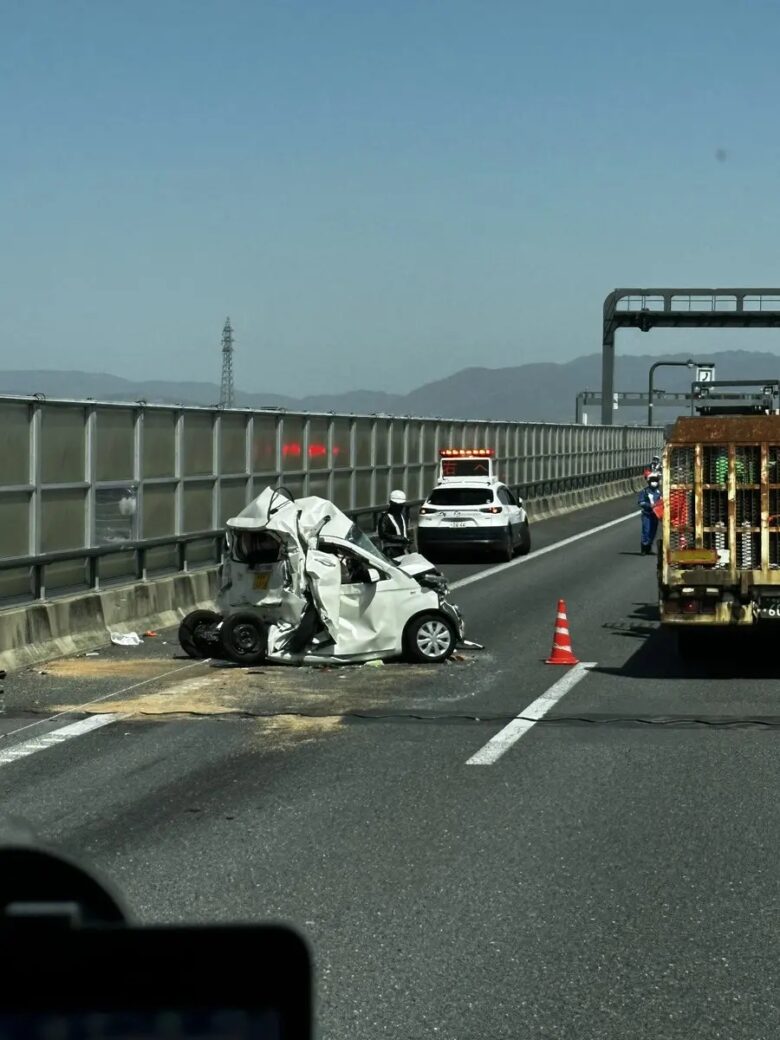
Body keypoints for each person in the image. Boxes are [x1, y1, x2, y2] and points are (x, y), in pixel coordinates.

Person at [377, 489, 411, 558]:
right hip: (391, 552)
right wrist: (401, 538)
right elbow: (383, 534)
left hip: (404, 550)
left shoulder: (403, 516)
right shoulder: (385, 518)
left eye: (401, 505)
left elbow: (404, 531)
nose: (399, 507)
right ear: (391, 503)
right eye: (397, 505)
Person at [638, 474, 662, 555]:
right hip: (647, 514)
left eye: (656, 481)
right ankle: (644, 548)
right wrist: (649, 505)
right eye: (652, 481)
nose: (654, 483)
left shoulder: (659, 492)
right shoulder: (644, 491)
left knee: (653, 531)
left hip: (655, 515)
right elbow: (641, 502)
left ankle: (649, 547)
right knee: (646, 530)